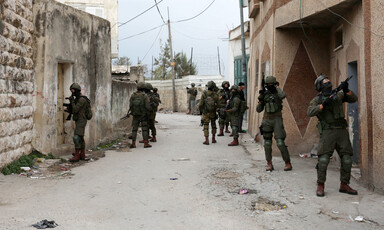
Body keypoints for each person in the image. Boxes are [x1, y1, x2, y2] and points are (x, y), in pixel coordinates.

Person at [307, 74, 358, 197]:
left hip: (341, 130)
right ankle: (320, 185)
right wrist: (323, 105)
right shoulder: (317, 100)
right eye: (325, 82)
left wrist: (346, 90)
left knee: (347, 159)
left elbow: (353, 99)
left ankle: (344, 184)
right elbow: (310, 112)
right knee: (323, 159)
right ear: (320, 86)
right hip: (328, 132)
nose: (328, 83)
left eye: (329, 81)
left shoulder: (338, 95)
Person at [257, 76, 292, 171]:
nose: (270, 86)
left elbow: (283, 96)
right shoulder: (264, 94)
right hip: (266, 120)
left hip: (277, 119)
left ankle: (287, 162)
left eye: (271, 84)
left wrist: (276, 88)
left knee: (280, 143)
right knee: (267, 143)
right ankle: (269, 163)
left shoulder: (278, 92)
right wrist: (260, 100)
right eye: (268, 84)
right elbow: (258, 110)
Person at [66, 83, 91, 162]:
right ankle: (82, 154)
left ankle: (77, 155)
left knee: (76, 137)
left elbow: (76, 109)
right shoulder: (78, 99)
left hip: (81, 120)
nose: (72, 92)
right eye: (71, 90)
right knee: (80, 137)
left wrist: (72, 101)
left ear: (76, 90)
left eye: (73, 90)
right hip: (78, 120)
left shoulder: (82, 99)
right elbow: (75, 110)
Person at [128, 82, 152, 148]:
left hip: (135, 114)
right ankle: (146, 143)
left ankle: (133, 143)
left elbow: (130, 105)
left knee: (134, 129)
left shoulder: (133, 95)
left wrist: (132, 111)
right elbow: (147, 106)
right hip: (143, 115)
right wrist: (149, 111)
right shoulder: (145, 96)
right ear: (143, 88)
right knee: (144, 129)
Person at [199, 81, 219, 145]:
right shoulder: (215, 95)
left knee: (206, 126)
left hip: (206, 113)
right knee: (213, 125)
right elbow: (218, 104)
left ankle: (207, 140)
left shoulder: (204, 94)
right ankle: (213, 139)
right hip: (213, 113)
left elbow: (200, 104)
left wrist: (201, 111)